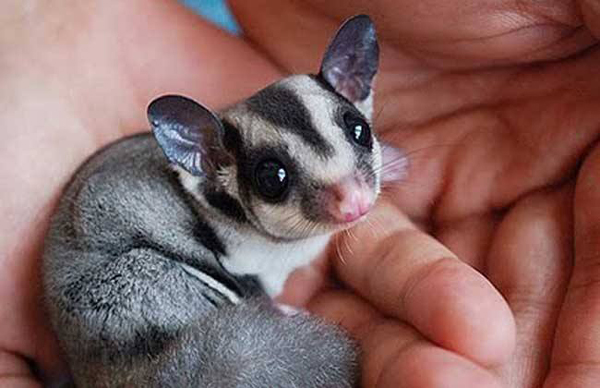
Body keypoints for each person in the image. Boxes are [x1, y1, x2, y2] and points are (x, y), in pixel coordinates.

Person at [2, 0, 599, 386]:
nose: (351, 200)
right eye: (276, 178)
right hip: (134, 303)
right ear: (211, 166)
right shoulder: (210, 192)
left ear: (358, 89)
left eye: (357, 136)